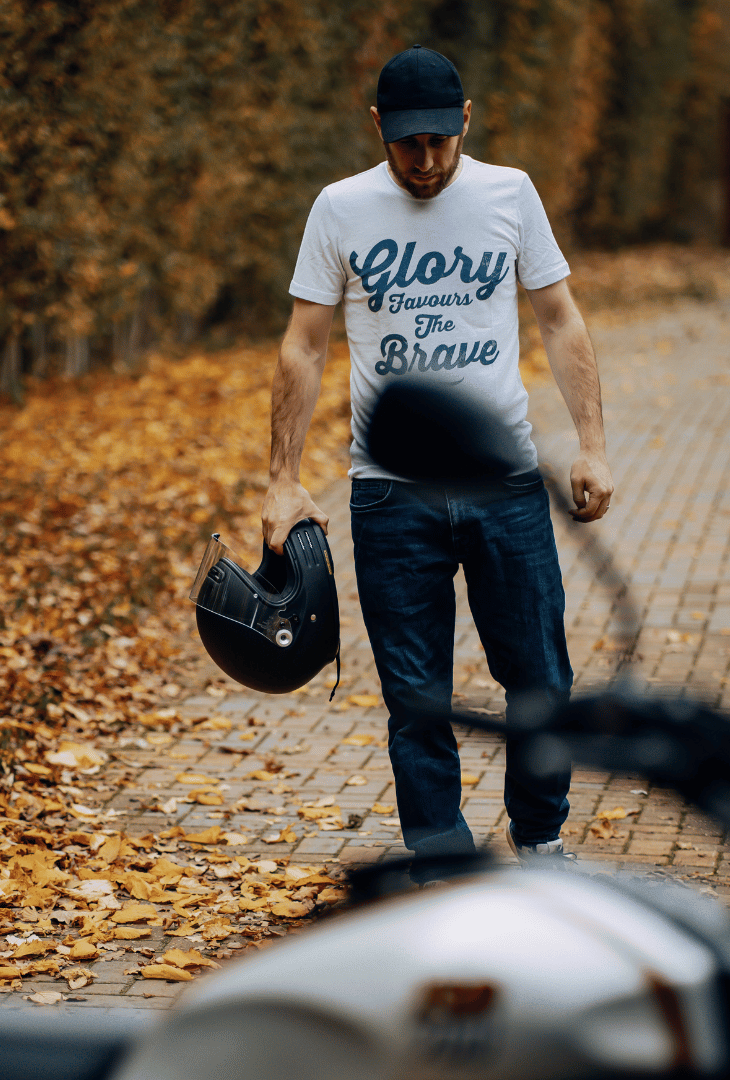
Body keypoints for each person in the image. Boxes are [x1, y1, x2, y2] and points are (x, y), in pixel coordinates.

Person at [261, 45, 613, 866]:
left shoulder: (511, 193)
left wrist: (593, 443)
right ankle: (443, 863)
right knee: (416, 698)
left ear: (465, 120)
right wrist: (281, 481)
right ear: (379, 127)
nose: (424, 161)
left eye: (439, 142)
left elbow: (560, 319)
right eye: (406, 143)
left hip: (504, 482)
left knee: (539, 679)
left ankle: (540, 841)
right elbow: (303, 346)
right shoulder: (339, 208)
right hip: (391, 496)